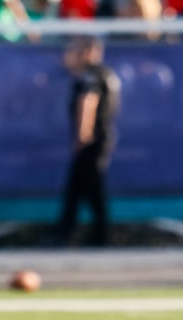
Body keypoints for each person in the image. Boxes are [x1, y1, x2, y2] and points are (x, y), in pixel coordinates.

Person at [55, 36, 121, 246]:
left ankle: (97, 236)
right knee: (79, 188)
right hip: (101, 137)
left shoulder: (90, 75)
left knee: (92, 188)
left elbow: (88, 102)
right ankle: (70, 232)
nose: (68, 56)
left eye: (74, 50)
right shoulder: (105, 73)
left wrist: (82, 135)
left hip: (92, 139)